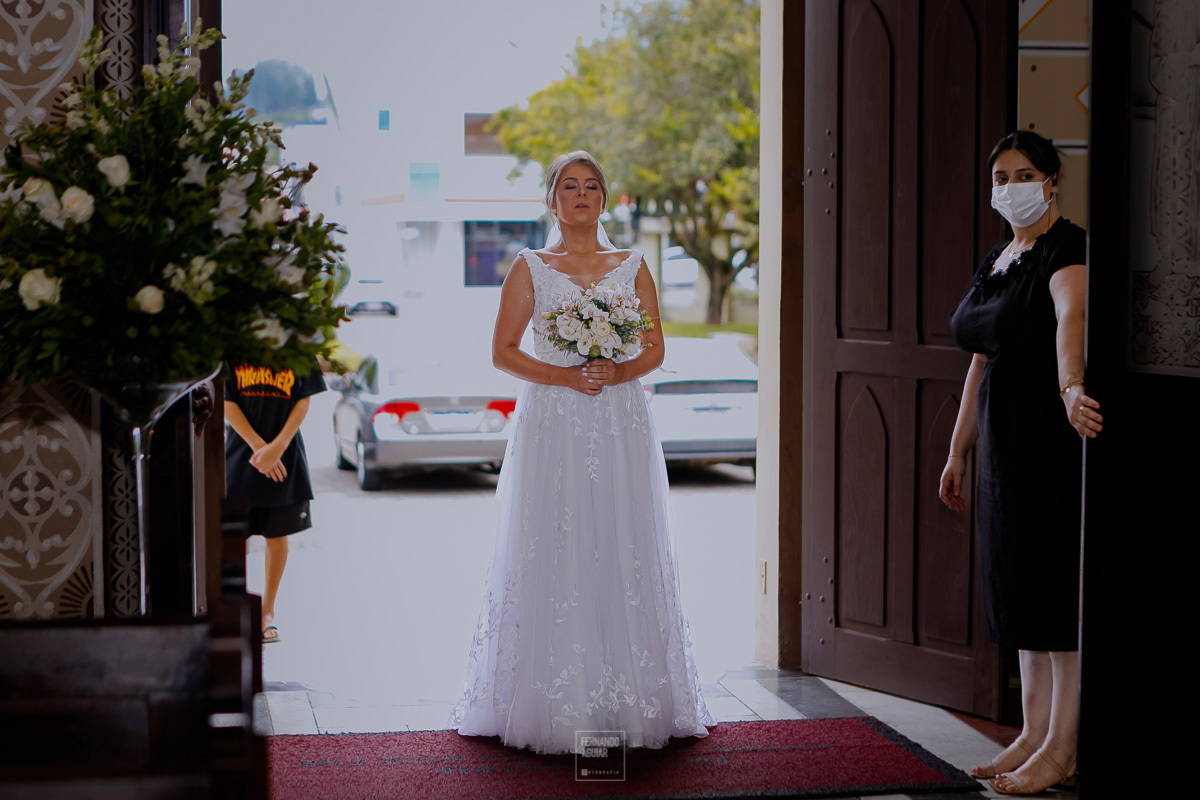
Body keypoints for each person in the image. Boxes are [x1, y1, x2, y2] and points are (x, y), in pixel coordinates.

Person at [448, 151, 714, 754]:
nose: (581, 194)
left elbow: (654, 348)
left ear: (604, 198)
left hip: (620, 421)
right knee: (556, 537)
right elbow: (503, 351)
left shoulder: (633, 266)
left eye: (591, 185)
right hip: (554, 420)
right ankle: (550, 699)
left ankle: (632, 697)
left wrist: (619, 372)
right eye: (569, 185)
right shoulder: (531, 267)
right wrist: (565, 376)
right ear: (552, 199)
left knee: (621, 536)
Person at [941, 131, 1102, 795]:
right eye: (1002, 177)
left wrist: (1071, 387)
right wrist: (958, 449)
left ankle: (1064, 748)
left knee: (1055, 598)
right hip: (1001, 454)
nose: (1012, 187)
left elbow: (1072, 317)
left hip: (1047, 446)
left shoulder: (1068, 247)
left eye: (1026, 174)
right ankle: (1033, 735)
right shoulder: (1000, 257)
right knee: (1020, 595)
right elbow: (981, 357)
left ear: (1054, 181)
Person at [224, 359, 325, 644]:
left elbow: (303, 399)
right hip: (241, 452)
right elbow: (226, 400)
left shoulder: (298, 346)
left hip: (285, 453)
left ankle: (267, 612)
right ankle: (236, 608)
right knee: (233, 536)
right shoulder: (235, 345)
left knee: (277, 534)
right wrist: (260, 448)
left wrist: (277, 447)